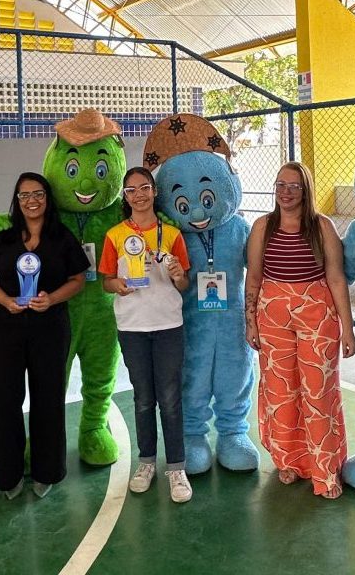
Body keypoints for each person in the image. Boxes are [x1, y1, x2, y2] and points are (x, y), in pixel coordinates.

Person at [245, 162, 355, 498]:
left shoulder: (322, 227)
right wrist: (250, 322)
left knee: (318, 391)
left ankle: (325, 470)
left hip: (316, 313)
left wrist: (348, 329)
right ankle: (289, 461)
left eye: (294, 186)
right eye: (281, 185)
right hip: (273, 315)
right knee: (280, 391)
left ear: (306, 190)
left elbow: (336, 277)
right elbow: (254, 278)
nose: (286, 192)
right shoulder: (263, 226)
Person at [0, 173, 88, 499]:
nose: (31, 201)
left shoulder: (61, 237)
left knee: (48, 400)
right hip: (5, 328)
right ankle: (10, 475)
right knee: (5, 401)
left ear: (47, 197)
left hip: (50, 328)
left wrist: (51, 299)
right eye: (24, 195)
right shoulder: (3, 235)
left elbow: (78, 279)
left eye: (37, 193)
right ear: (17, 200)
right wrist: (5, 300)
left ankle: (47, 471)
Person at [99, 167, 193, 502]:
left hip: (168, 326)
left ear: (154, 192)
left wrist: (178, 275)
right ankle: (146, 463)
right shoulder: (114, 236)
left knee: (170, 399)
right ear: (125, 197)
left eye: (144, 188)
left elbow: (184, 283)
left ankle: (177, 469)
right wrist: (119, 286)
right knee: (142, 399)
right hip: (132, 327)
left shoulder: (172, 234)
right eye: (131, 190)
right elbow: (106, 281)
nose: (138, 195)